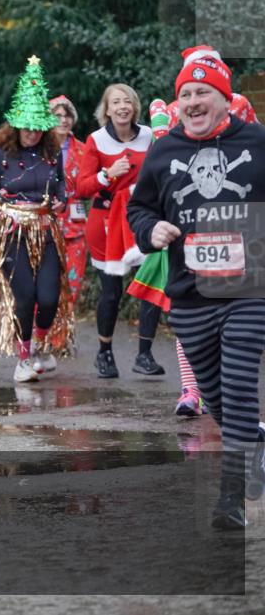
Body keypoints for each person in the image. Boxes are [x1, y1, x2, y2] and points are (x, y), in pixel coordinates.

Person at [127, 48, 265, 530]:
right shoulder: (164, 152)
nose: (191, 100)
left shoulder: (258, 142)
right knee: (215, 394)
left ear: (225, 100)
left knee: (240, 386)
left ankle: (232, 497)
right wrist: (152, 231)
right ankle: (257, 445)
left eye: (202, 92)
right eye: (185, 93)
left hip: (248, 291)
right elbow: (139, 208)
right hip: (189, 294)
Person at [0, 56, 72, 383]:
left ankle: (41, 345)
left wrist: (61, 200)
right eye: (25, 126)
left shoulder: (51, 155)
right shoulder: (1, 156)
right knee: (25, 296)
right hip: (12, 233)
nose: (30, 132)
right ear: (16, 125)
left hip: (45, 232)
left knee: (48, 297)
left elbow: (61, 186)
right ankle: (24, 358)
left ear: (44, 127)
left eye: (36, 126)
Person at [77, 83, 163, 379]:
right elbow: (81, 188)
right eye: (116, 102)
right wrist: (107, 174)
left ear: (135, 106)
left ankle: (145, 354)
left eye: (127, 101)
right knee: (111, 293)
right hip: (105, 221)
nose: (123, 107)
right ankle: (105, 353)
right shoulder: (96, 140)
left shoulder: (150, 136)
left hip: (142, 218)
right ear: (107, 109)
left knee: (151, 286)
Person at [49, 95, 88, 308]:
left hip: (76, 226)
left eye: (67, 116)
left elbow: (92, 185)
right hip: (45, 226)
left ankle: (60, 339)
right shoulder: (39, 149)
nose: (63, 120)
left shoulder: (84, 150)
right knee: (45, 287)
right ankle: (40, 336)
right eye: (58, 116)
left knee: (72, 287)